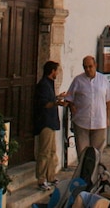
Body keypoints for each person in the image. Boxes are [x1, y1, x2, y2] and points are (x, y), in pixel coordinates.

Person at [64, 55, 110, 159]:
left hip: (99, 121)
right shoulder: (78, 80)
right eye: (85, 67)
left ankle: (95, 170)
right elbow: (69, 98)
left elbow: (109, 100)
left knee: (96, 154)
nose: (88, 69)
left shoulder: (103, 80)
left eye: (90, 66)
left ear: (95, 65)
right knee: (82, 153)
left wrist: (107, 118)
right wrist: (72, 106)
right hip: (81, 121)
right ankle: (83, 170)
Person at [33, 60, 67, 191]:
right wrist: (57, 103)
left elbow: (50, 99)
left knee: (52, 152)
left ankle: (51, 177)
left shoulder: (49, 84)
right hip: (45, 122)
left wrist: (58, 98)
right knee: (44, 152)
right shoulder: (43, 85)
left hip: (51, 122)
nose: (57, 73)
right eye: (56, 71)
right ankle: (41, 179)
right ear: (52, 71)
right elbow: (44, 104)